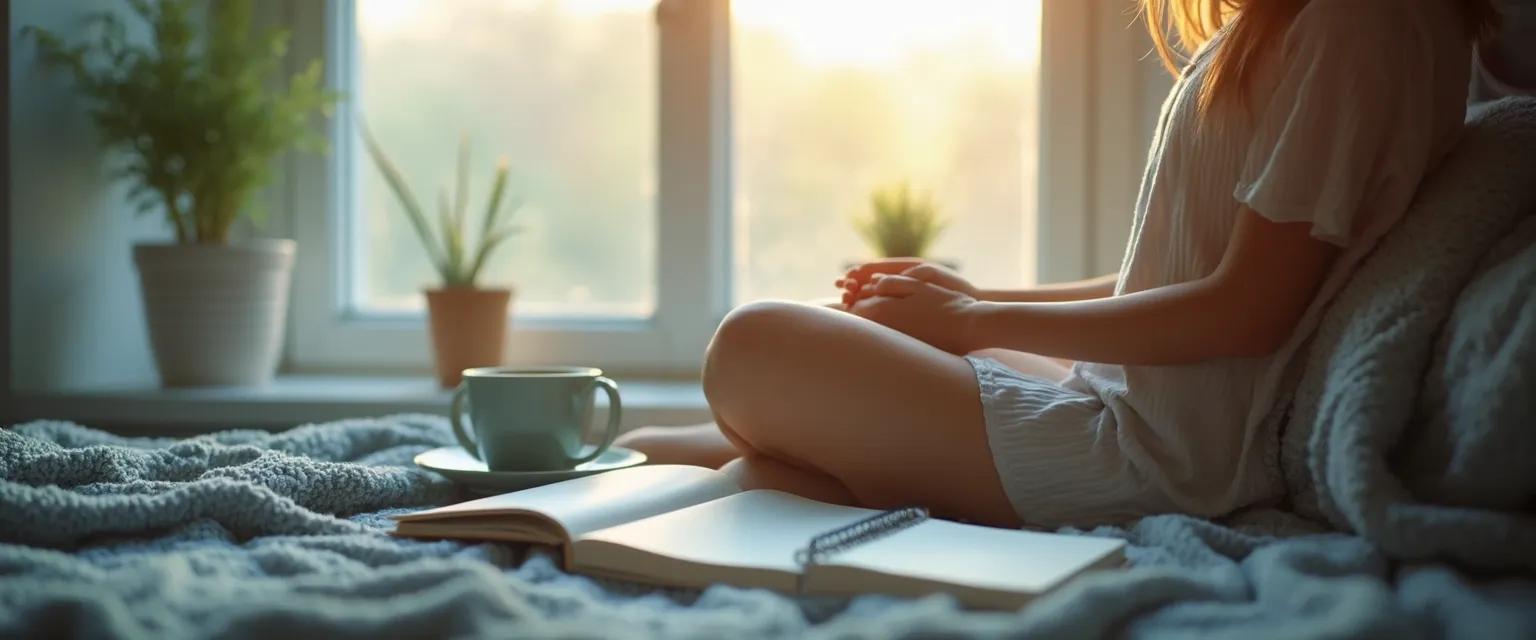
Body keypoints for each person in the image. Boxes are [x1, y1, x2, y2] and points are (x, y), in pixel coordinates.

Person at [617, 0, 1501, 528]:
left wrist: (975, 325)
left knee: (753, 345)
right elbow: (1174, 285)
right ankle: (646, 462)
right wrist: (975, 297)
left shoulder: (1361, 24)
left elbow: (1249, 308)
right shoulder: (1324, 23)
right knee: (788, 412)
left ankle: (647, 460)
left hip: (1161, 457)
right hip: (1130, 402)